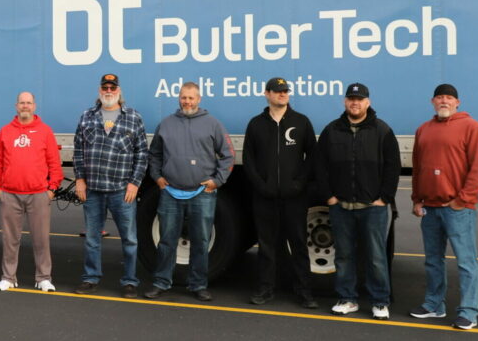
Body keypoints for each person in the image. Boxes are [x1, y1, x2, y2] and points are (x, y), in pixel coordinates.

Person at [317, 82, 401, 320]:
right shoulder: (332, 131)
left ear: (368, 102)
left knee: (376, 257)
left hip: (372, 208)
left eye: (360, 99)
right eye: (351, 99)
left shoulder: (382, 130)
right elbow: (320, 166)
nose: (355, 103)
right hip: (341, 206)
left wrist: (384, 197)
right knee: (343, 256)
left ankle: (380, 301)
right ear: (345, 102)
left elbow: (393, 167)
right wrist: (329, 197)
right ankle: (347, 299)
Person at [409, 84, 478, 329]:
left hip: (458, 209)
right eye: (440, 97)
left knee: (466, 262)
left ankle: (468, 311)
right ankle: (434, 305)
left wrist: (462, 200)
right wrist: (416, 198)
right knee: (433, 260)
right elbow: (417, 166)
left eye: (449, 98)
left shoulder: (471, 127)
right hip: (430, 209)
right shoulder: (424, 129)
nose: (444, 101)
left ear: (458, 102)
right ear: (433, 101)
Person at [145, 82, 234, 301]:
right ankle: (161, 282)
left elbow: (228, 155)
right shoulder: (166, 124)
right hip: (170, 193)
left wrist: (217, 181)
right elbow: (154, 154)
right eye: (184, 97)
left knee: (201, 242)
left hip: (202, 194)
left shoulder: (213, 124)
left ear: (199, 99)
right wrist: (157, 177)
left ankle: (198, 284)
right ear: (179, 98)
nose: (187, 102)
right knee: (166, 241)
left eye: (191, 98)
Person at [243, 76, 318, 308]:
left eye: (285, 91)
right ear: (267, 94)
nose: (282, 94)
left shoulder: (301, 122)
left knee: (298, 245)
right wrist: (261, 185)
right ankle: (265, 290)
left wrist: (298, 184)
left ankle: (304, 292)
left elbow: (312, 157)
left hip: (294, 198)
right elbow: (248, 160)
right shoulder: (256, 124)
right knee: (267, 247)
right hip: (265, 198)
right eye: (277, 91)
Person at [73, 74, 148, 298]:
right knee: (93, 238)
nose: (108, 90)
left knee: (130, 239)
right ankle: (90, 278)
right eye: (105, 87)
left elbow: (142, 153)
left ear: (118, 91)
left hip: (121, 191)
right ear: (99, 90)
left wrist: (135, 183)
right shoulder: (87, 116)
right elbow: (78, 150)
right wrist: (79, 179)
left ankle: (130, 281)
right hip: (93, 189)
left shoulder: (133, 117)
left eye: (112, 87)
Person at [0, 92, 63, 292]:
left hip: (38, 194)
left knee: (41, 239)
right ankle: (8, 277)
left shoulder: (45, 131)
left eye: (28, 103)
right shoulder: (5, 131)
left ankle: (43, 278)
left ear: (34, 106)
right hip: (10, 194)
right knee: (10, 239)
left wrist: (51, 189)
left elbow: (54, 163)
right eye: (22, 103)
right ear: (16, 106)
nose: (25, 106)